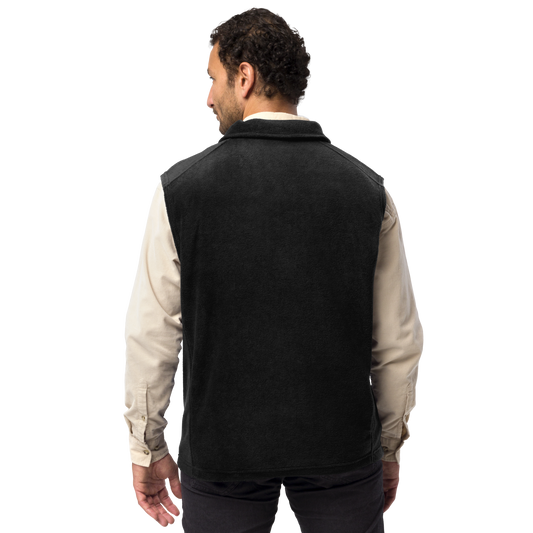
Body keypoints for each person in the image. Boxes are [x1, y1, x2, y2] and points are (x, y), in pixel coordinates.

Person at [122, 4, 425, 532]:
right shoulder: (367, 189)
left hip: (222, 454)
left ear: (244, 77)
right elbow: (399, 341)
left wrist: (146, 447)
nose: (207, 97)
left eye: (212, 79)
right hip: (341, 450)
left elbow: (151, 334)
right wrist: (389, 446)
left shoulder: (180, 187)